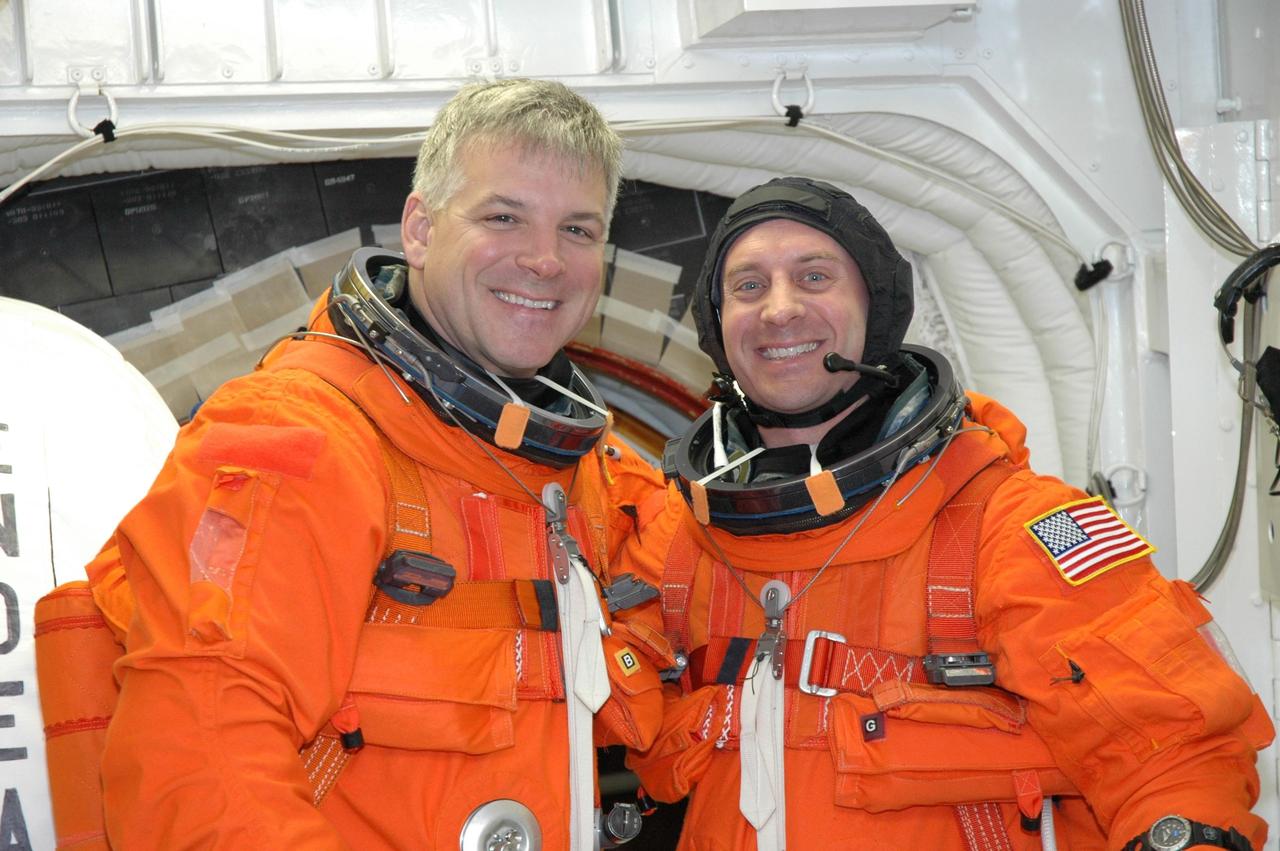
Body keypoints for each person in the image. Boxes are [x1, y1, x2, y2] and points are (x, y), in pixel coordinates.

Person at [53, 79, 672, 850]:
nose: (545, 259)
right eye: (503, 216)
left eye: (578, 229)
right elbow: (199, 768)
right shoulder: (291, 440)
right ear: (421, 229)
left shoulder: (591, 478)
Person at [623, 177, 1273, 850]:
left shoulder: (1006, 524)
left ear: (876, 306)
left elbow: (1173, 758)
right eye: (748, 286)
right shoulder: (678, 541)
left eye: (814, 277)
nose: (779, 309)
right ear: (716, 324)